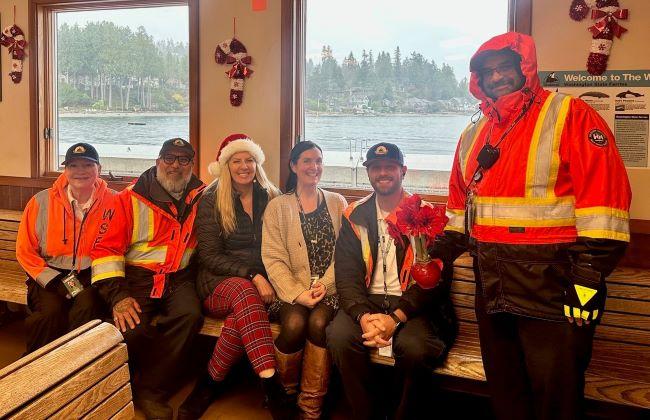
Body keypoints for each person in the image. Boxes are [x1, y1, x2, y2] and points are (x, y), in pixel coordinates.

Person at [433, 32, 631, 420]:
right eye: (488, 72)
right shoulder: (473, 134)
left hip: (561, 287)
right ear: (479, 80)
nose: (497, 77)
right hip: (492, 285)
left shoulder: (570, 114)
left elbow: (606, 205)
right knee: (506, 390)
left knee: (556, 394)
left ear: (524, 67)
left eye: (504, 67)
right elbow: (459, 212)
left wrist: (588, 279)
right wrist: (436, 255)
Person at [326, 142, 457, 420]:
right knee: (339, 336)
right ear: (369, 173)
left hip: (414, 306)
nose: (382, 173)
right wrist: (362, 316)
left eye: (390, 167)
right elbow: (346, 276)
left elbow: (434, 282)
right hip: (367, 301)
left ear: (403, 171)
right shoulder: (354, 214)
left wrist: (395, 318)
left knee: (414, 348)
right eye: (375, 168)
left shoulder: (427, 216)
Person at [90, 138, 205, 420]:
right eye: (169, 158)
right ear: (157, 161)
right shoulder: (128, 199)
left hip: (180, 278)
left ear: (192, 164)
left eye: (183, 159)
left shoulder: (202, 197)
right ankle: (123, 381)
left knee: (189, 316)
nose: (175, 165)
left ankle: (151, 390)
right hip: (136, 279)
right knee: (133, 328)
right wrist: (118, 296)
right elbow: (105, 251)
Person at [178, 134, 290, 420]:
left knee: (239, 317)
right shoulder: (212, 199)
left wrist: (268, 277)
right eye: (236, 160)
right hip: (217, 283)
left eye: (249, 159)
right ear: (225, 166)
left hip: (261, 286)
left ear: (257, 163)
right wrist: (252, 274)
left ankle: (208, 383)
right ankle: (272, 386)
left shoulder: (271, 196)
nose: (244, 166)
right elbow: (210, 256)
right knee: (244, 292)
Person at [261, 141, 347, 418]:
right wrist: (297, 293)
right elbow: (273, 258)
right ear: (294, 166)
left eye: (319, 161)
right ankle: (284, 395)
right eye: (307, 161)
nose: (314, 167)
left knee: (319, 322)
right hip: (290, 291)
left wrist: (325, 284)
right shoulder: (277, 207)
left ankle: (310, 405)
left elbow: (345, 253)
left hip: (329, 289)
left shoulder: (336, 202)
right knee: (296, 322)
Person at [17, 143, 115, 353]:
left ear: (99, 167)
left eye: (88, 165)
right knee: (50, 313)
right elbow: (25, 251)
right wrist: (53, 281)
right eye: (73, 165)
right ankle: (35, 368)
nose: (80, 171)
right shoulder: (40, 201)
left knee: (87, 307)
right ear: (65, 170)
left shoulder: (114, 201)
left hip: (92, 275)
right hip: (51, 275)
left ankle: (76, 365)